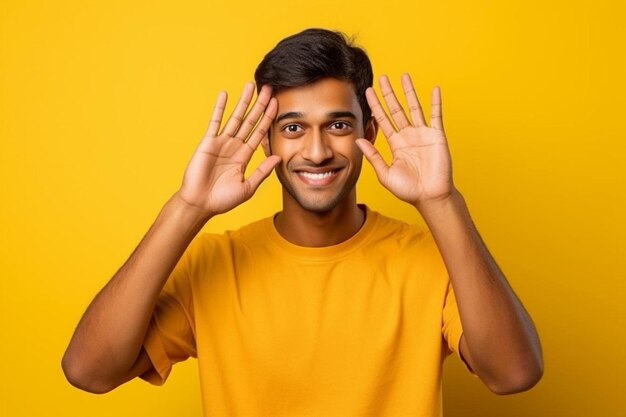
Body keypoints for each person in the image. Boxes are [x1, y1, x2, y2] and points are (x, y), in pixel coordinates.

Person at [62, 28, 543, 416]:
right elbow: (89, 371)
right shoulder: (214, 264)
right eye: (293, 128)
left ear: (368, 132)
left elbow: (514, 375)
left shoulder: (430, 260)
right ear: (266, 141)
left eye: (338, 125)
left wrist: (442, 201)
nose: (316, 151)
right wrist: (188, 207)